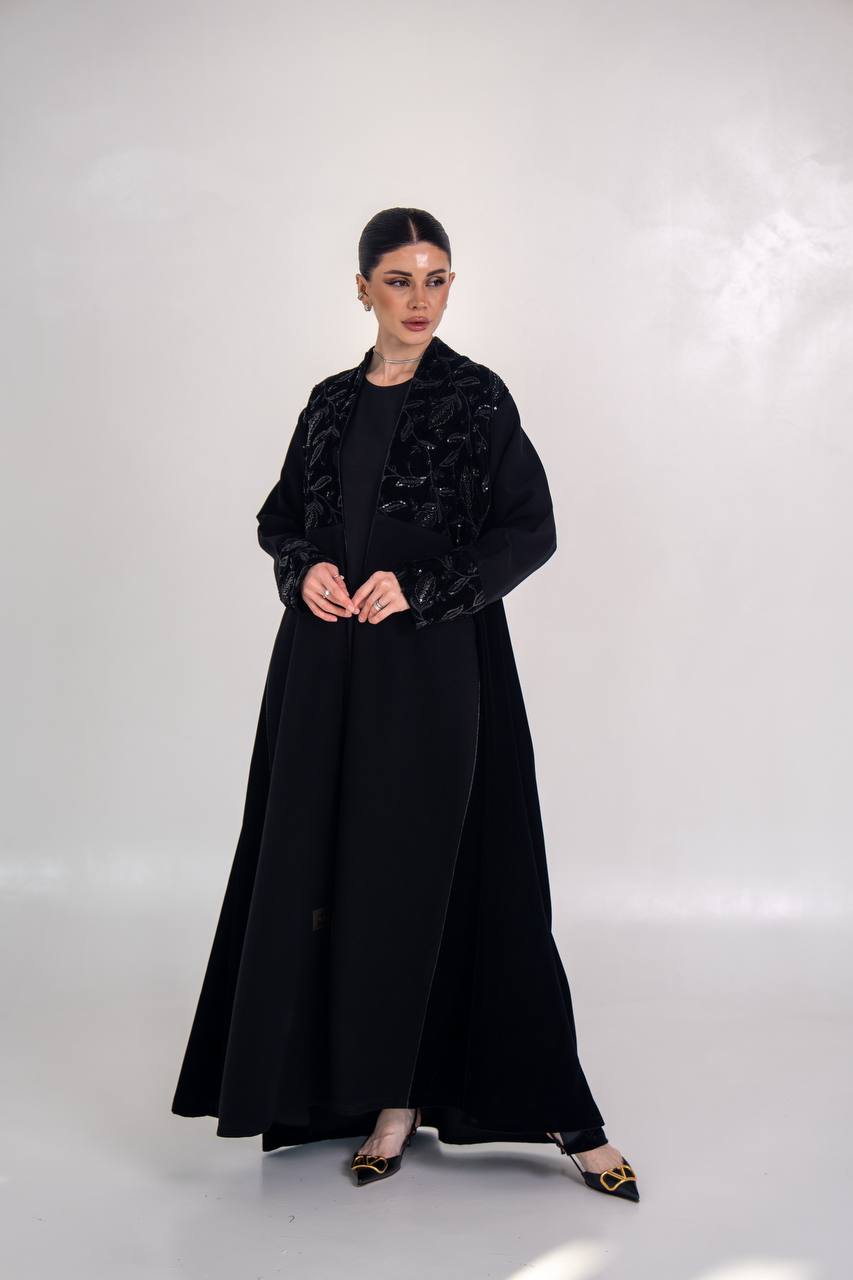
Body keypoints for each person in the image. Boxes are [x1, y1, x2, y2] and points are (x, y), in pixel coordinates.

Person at [171, 207, 640, 1203]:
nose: (420, 299)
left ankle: (562, 1111)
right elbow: (280, 517)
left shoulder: (475, 397)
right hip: (323, 666)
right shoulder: (330, 402)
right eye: (398, 279)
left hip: (433, 664)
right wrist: (304, 568)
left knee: (450, 867)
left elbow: (529, 528)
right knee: (340, 869)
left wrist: (422, 589)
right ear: (362, 289)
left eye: (436, 279)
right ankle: (387, 1097)